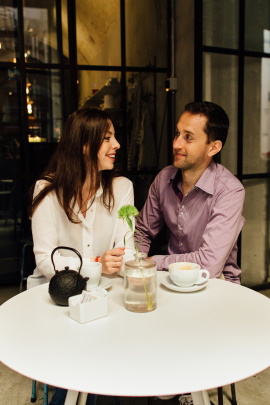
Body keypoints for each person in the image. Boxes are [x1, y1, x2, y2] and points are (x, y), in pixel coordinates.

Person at [27, 107, 136, 405]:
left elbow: (129, 250)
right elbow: (47, 260)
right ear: (84, 145)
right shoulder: (48, 190)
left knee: (109, 357)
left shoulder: (122, 188)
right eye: (107, 138)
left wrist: (114, 262)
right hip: (56, 300)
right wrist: (99, 263)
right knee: (81, 364)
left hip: (106, 296)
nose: (117, 145)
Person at [135, 101, 245, 284]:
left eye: (188, 137)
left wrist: (155, 261)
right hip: (171, 280)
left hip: (216, 283)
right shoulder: (164, 179)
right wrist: (136, 265)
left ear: (213, 148)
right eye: (177, 134)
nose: (177, 144)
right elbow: (142, 231)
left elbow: (209, 264)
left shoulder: (229, 191)